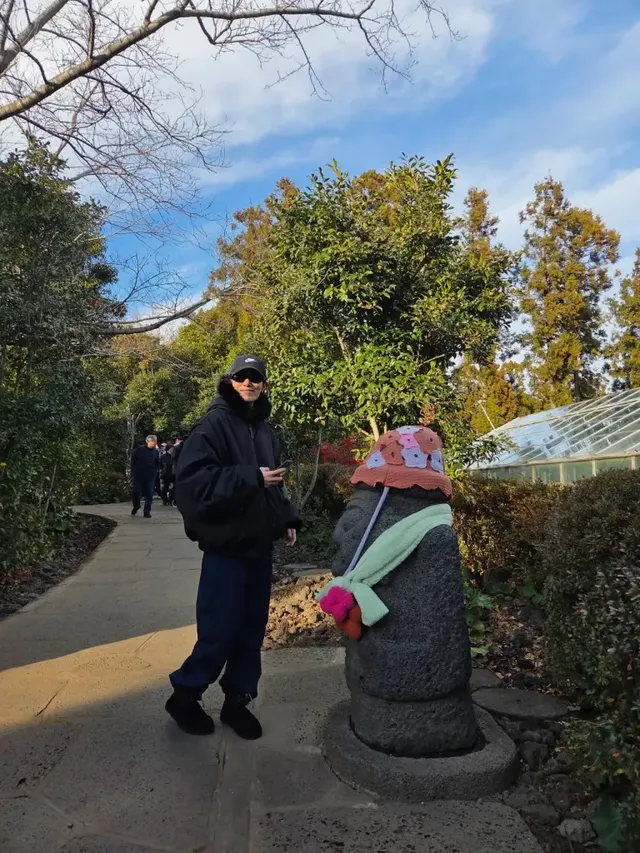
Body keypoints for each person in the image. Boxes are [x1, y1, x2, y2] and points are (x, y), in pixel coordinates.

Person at [166, 355, 301, 739]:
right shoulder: (212, 425)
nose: (248, 383)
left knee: (250, 629)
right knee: (219, 629)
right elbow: (191, 487)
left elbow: (272, 483)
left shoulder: (264, 430)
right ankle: (184, 696)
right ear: (230, 380)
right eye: (242, 377)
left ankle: (237, 702)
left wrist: (287, 517)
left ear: (263, 384)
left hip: (259, 546)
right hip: (225, 549)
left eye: (255, 378)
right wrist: (249, 477)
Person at [131, 435, 160, 518]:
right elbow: (133, 462)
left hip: (150, 476)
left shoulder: (156, 452)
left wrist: (157, 470)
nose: (154, 443)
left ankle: (147, 511)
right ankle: (136, 506)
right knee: (136, 492)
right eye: (153, 442)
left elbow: (157, 463)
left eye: (155, 442)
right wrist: (133, 471)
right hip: (138, 475)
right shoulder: (139, 450)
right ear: (148, 441)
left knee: (150, 494)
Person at [159, 441, 175, 505]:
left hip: (172, 475)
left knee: (172, 488)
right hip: (165, 475)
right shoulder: (163, 457)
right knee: (164, 488)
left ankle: (170, 500)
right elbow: (160, 466)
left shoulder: (173, 457)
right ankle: (164, 500)